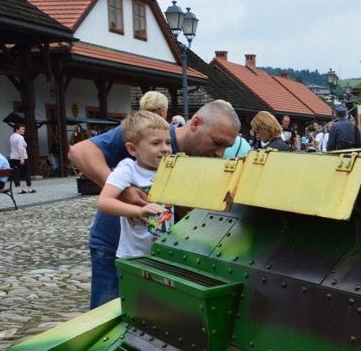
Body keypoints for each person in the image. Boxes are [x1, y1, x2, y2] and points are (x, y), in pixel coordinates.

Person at [69, 100, 241, 308]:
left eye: (226, 147)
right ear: (195, 123)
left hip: (157, 255)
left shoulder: (202, 160)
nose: (220, 153)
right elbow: (80, 152)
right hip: (114, 248)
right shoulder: (150, 130)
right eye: (216, 142)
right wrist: (124, 192)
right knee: (106, 315)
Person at [97, 110, 174, 260]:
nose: (165, 148)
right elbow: (104, 202)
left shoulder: (171, 168)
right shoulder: (128, 169)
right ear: (132, 149)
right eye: (156, 143)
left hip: (166, 254)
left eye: (168, 142)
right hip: (134, 255)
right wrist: (138, 211)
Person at [9, 124, 34, 194]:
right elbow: (21, 148)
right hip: (22, 157)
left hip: (13, 157)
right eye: (22, 129)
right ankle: (29, 187)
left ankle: (18, 188)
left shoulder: (11, 136)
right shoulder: (20, 137)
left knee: (16, 173)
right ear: (17, 129)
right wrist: (22, 158)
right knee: (26, 172)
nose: (24, 130)